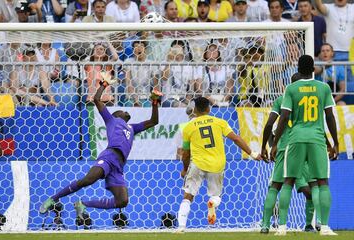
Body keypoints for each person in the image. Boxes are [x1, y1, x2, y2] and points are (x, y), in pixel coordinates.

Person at [40, 80, 163, 219]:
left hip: (119, 166)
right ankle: (53, 198)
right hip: (109, 156)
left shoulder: (132, 128)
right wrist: (104, 85)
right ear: (117, 115)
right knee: (88, 180)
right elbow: (96, 99)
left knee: (122, 201)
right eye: (122, 110)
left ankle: (82, 204)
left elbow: (154, 121)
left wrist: (154, 102)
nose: (126, 111)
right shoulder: (111, 120)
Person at [270, 55, 339, 236]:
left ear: (298, 69)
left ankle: (282, 227)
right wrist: (335, 144)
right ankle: (323, 227)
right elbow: (330, 116)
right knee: (322, 182)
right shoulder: (323, 88)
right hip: (317, 138)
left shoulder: (291, 88)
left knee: (288, 181)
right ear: (313, 68)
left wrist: (275, 143)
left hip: (296, 139)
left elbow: (284, 117)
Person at [176, 97, 262, 232]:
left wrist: (185, 169)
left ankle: (181, 227)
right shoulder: (220, 122)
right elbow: (236, 138)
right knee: (216, 196)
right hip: (217, 165)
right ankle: (212, 203)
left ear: (195, 110)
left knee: (188, 195)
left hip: (197, 164)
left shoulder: (188, 127)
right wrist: (252, 153)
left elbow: (185, 153)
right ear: (209, 109)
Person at [260, 72, 322, 234]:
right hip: (307, 145)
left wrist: (265, 148)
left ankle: (267, 225)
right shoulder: (312, 98)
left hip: (285, 148)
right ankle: (314, 224)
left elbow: (269, 126)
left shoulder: (281, 100)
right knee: (312, 187)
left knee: (276, 186)